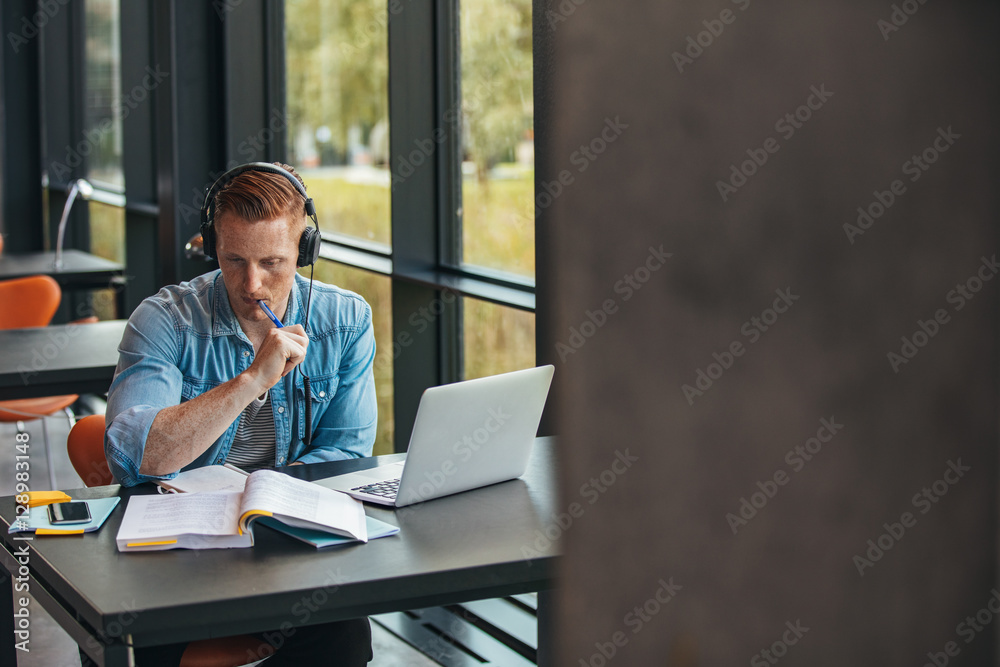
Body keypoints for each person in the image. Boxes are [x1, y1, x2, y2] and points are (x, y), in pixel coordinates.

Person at [100, 162, 376, 667]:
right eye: (234, 261)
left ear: (304, 251)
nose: (253, 284)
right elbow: (137, 459)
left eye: (273, 262)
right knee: (137, 643)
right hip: (175, 559)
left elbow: (347, 455)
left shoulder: (347, 321)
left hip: (284, 546)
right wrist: (251, 381)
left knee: (345, 636)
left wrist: (266, 502)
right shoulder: (164, 321)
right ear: (212, 248)